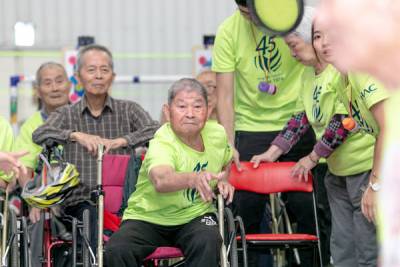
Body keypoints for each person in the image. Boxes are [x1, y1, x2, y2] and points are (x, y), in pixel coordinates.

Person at [212, 1, 316, 265]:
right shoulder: (229, 31)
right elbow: (224, 97)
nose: (249, 17)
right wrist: (229, 143)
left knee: (308, 209)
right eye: (243, 12)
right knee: (245, 209)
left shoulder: (293, 19)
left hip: (298, 121)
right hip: (251, 126)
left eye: (254, 12)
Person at [32, 44, 160, 254]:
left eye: (104, 70)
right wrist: (74, 135)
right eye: (91, 70)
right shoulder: (67, 114)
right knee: (91, 215)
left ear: (113, 76)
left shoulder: (128, 109)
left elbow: (156, 130)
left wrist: (123, 141)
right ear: (78, 77)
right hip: (80, 201)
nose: (98, 76)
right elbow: (39, 134)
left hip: (126, 201)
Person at [104, 78, 234, 267]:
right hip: (148, 216)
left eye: (197, 107)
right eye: (182, 106)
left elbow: (226, 160)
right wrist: (194, 178)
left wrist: (224, 180)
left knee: (209, 241)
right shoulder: (162, 140)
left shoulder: (217, 134)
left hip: (195, 215)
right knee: (117, 249)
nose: (190, 114)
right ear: (167, 111)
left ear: (208, 109)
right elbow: (161, 180)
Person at [14, 62, 71, 267]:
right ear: (38, 91)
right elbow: (25, 168)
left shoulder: (84, 116)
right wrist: (34, 200)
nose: (55, 88)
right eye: (47, 83)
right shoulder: (31, 125)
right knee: (37, 210)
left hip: (82, 190)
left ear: (70, 85)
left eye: (59, 81)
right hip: (47, 195)